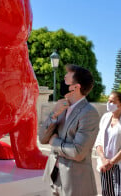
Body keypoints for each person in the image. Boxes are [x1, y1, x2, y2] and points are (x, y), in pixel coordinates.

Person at [40, 64, 99, 196]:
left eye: (65, 80)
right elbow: (42, 138)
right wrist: (54, 114)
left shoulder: (89, 113)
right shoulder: (60, 107)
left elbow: (78, 152)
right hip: (52, 178)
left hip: (75, 183)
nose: (62, 83)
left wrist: (54, 142)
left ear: (76, 87)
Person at [95, 91, 121, 196]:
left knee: (120, 193)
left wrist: (111, 162)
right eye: (108, 101)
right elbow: (98, 141)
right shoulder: (105, 117)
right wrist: (104, 160)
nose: (109, 103)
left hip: (120, 164)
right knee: (106, 193)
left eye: (112, 101)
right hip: (104, 163)